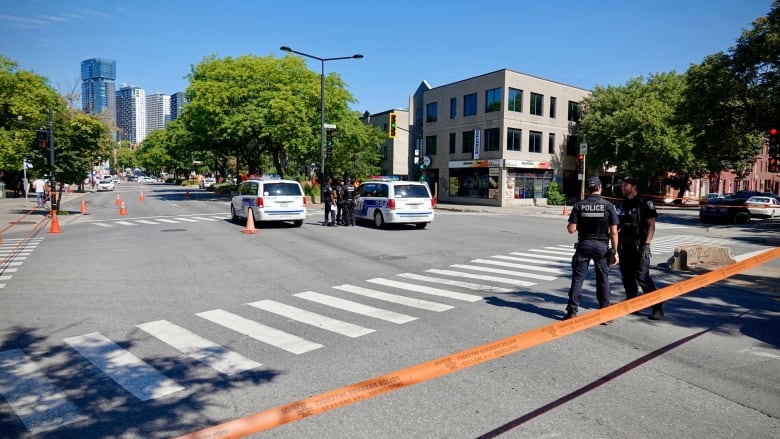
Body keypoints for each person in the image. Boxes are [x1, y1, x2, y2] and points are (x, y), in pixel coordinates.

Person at [563, 176, 620, 322]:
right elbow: (613, 232)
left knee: (578, 278)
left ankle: (572, 310)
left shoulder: (579, 205)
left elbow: (571, 229)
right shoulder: (608, 206)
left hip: (584, 244)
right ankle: (605, 312)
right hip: (601, 246)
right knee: (603, 278)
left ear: (588, 189)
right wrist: (614, 251)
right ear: (600, 188)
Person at [617, 176, 664, 320]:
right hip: (625, 246)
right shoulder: (622, 204)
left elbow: (651, 224)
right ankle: (632, 303)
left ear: (633, 187)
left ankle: (657, 308)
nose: (622, 187)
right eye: (622, 185)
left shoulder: (645, 202)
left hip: (640, 246)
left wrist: (647, 244)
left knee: (642, 277)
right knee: (627, 276)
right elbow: (617, 224)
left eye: (625, 185)